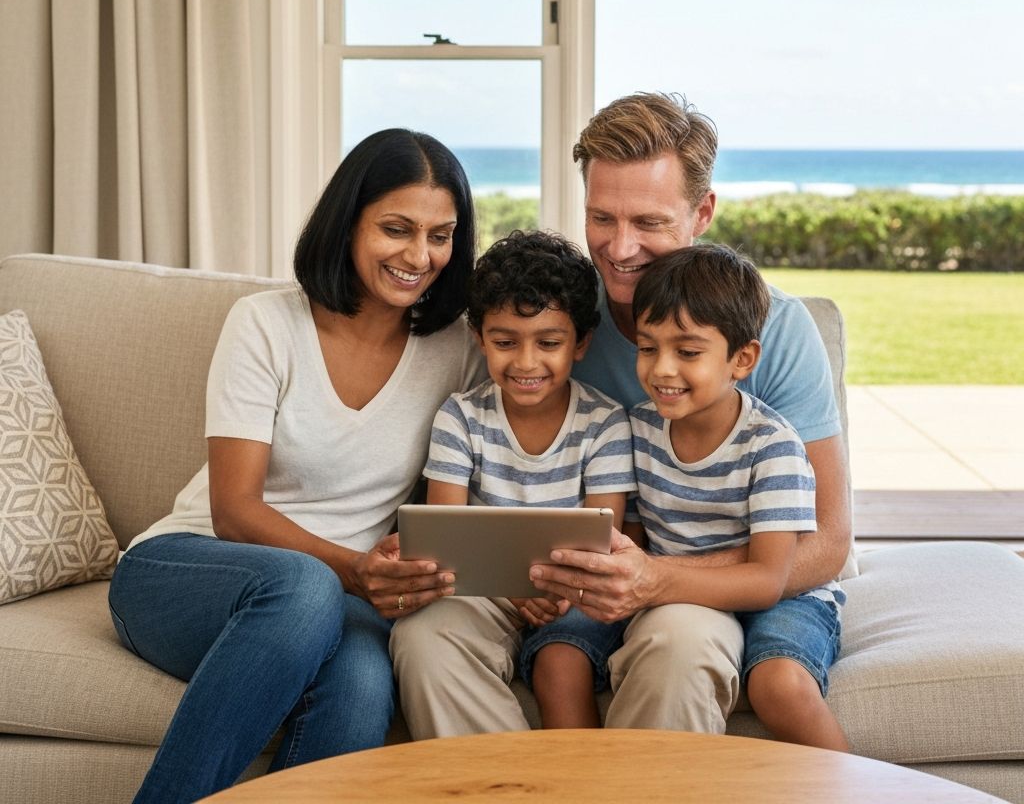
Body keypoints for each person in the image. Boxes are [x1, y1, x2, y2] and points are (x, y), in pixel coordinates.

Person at [392, 91, 851, 739]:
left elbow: (828, 542)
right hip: (592, 580)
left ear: (702, 213)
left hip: (689, 586)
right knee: (433, 637)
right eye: (601, 218)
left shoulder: (777, 329)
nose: (620, 247)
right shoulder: (564, 318)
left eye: (649, 222)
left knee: (678, 641)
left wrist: (658, 577)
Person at [107, 129, 485, 804]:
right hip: (189, 568)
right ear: (348, 225)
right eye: (396, 229)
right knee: (305, 588)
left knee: (365, 684)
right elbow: (235, 509)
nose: (418, 256)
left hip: (343, 600)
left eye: (440, 235)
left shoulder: (457, 349)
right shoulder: (264, 324)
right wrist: (355, 572)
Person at [392, 230, 636, 732]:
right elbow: (446, 537)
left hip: (578, 595)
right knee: (421, 635)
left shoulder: (606, 424)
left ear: (581, 343)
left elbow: (604, 542)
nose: (526, 363)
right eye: (505, 342)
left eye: (549, 343)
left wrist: (554, 589)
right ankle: (500, 779)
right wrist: (514, 588)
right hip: (484, 591)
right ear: (480, 339)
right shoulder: (460, 418)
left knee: (562, 660)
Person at [626, 243, 847, 749]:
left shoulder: (772, 445)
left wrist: (657, 578)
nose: (662, 369)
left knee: (779, 686)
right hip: (691, 597)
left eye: (687, 352)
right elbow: (634, 541)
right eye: (647, 347)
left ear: (742, 359)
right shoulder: (637, 432)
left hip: (785, 595)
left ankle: (855, 791)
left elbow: (769, 580)